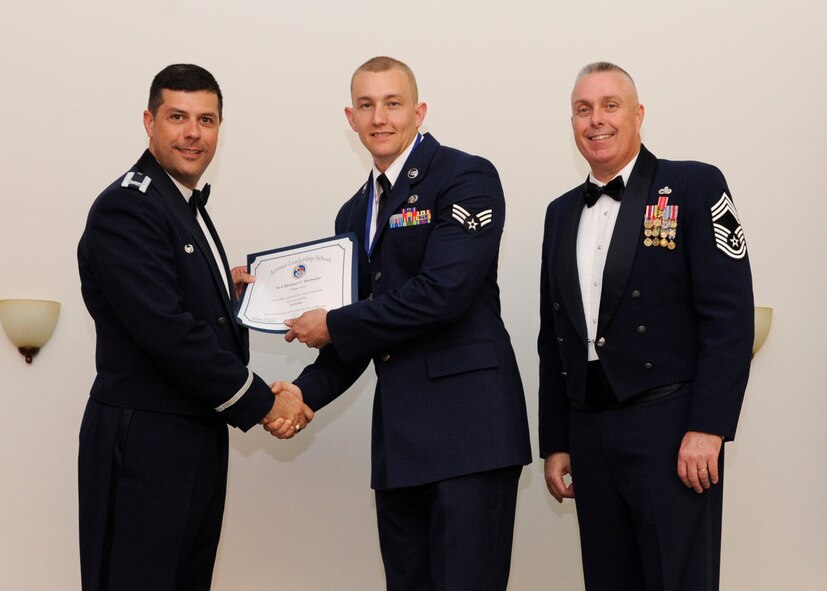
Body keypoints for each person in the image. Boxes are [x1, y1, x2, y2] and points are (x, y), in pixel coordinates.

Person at [271, 56, 532, 590]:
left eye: (393, 103)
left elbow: (443, 293)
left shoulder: (466, 176)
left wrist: (335, 325)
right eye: (366, 105)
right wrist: (298, 397)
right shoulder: (352, 213)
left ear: (419, 111)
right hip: (400, 444)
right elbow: (355, 336)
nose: (380, 117)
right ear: (350, 117)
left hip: (469, 434)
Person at [77, 63, 312, 591]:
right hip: (145, 441)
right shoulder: (128, 206)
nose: (192, 133)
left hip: (190, 435)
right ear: (149, 121)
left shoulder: (179, 204)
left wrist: (226, 296)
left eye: (206, 119)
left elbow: (175, 302)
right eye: (177, 117)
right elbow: (167, 331)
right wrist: (263, 403)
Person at [538, 61, 754, 590]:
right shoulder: (559, 212)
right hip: (589, 429)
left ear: (638, 115)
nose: (596, 120)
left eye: (610, 106)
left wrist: (709, 427)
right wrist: (556, 439)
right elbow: (553, 335)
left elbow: (729, 316)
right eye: (583, 109)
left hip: (670, 425)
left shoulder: (694, 184)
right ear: (572, 122)